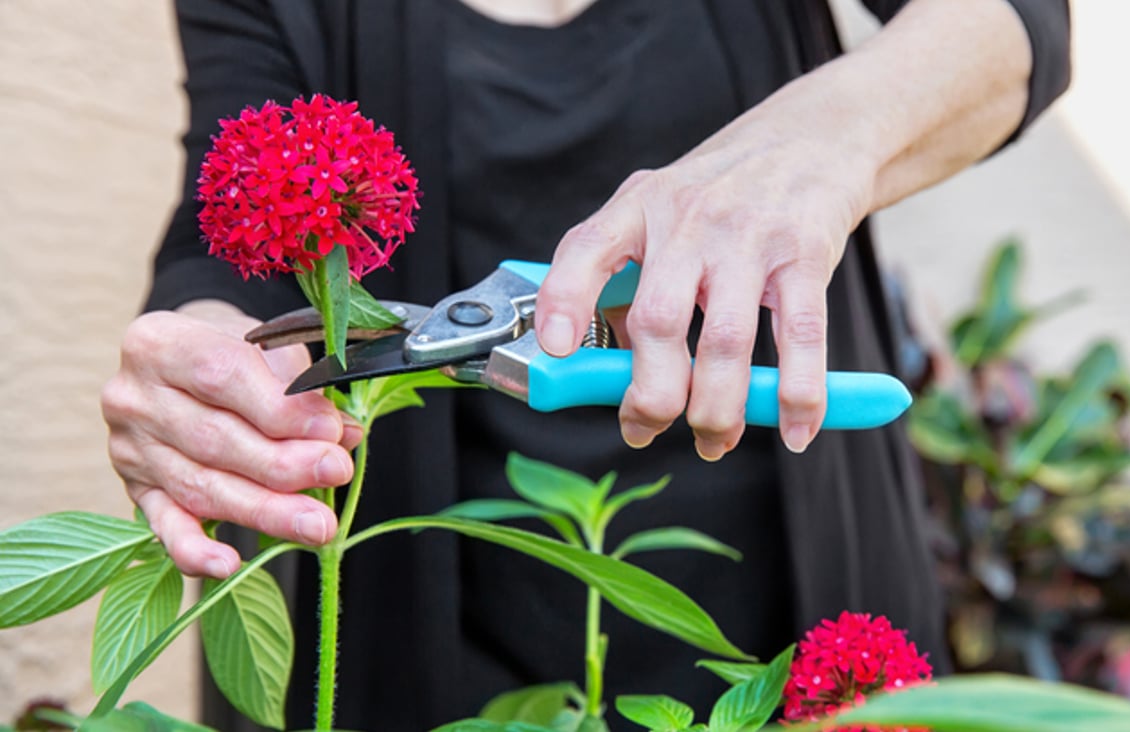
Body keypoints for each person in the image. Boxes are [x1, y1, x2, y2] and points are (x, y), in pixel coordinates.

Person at [100, 0, 1071, 729]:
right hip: (415, 636)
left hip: (794, 592)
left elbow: (1018, 25)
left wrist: (819, 141)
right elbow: (221, 209)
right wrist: (199, 358)